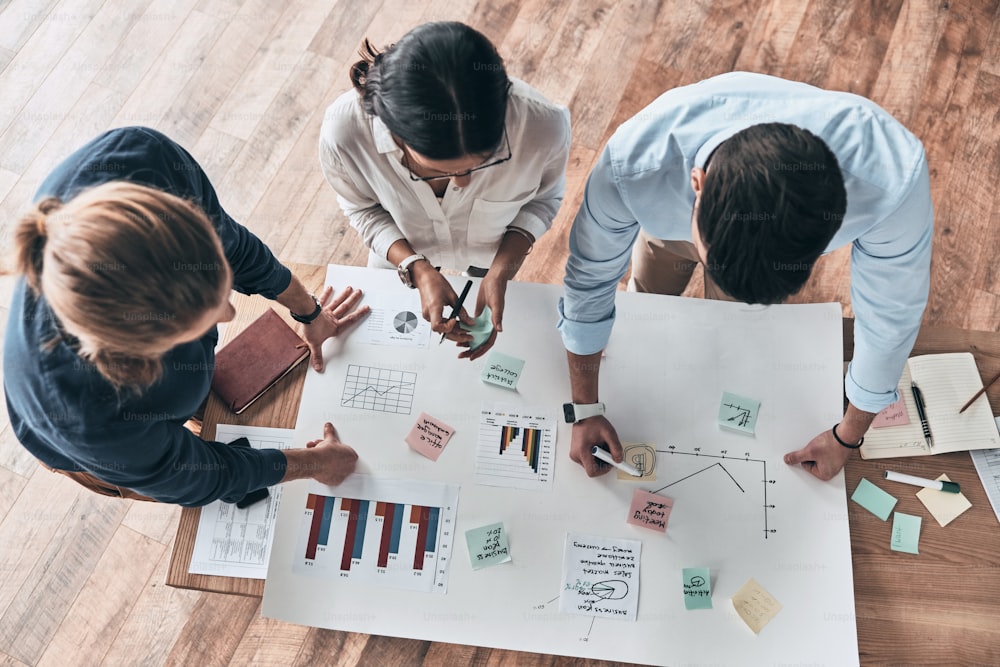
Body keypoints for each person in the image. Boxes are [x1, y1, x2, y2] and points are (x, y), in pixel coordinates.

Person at [558, 72, 932, 481]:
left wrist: (848, 436)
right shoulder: (633, 165)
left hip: (743, 237)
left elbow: (889, 323)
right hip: (665, 227)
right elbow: (588, 283)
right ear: (696, 185)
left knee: (734, 331)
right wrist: (585, 409)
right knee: (644, 298)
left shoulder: (891, 178)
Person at [4, 126, 371, 507]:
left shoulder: (145, 159)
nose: (230, 314)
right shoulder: (90, 421)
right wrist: (312, 463)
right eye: (202, 317)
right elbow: (200, 476)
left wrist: (307, 310)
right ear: (146, 348)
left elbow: (238, 249)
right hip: (97, 441)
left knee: (210, 405)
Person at [319, 21, 571, 358]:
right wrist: (416, 268)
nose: (463, 183)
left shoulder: (543, 128)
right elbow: (363, 209)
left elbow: (543, 200)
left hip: (492, 250)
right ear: (393, 132)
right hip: (397, 251)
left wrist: (501, 270)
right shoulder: (345, 134)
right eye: (436, 169)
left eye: (483, 163)